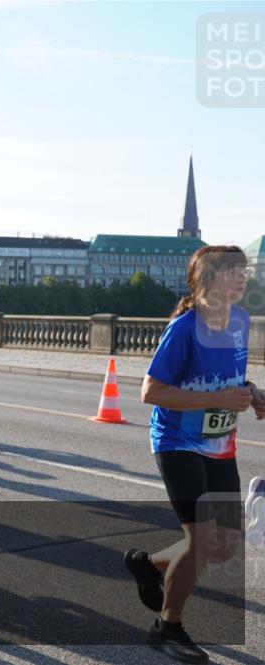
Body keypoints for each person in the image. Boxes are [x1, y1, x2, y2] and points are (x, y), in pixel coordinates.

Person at [124, 246, 264, 664]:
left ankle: (148, 565)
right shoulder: (185, 328)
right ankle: (168, 628)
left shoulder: (239, 320)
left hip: (220, 445)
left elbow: (230, 376)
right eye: (234, 271)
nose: (243, 278)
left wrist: (251, 392)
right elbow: (150, 391)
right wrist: (218, 396)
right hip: (177, 441)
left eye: (245, 271)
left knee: (224, 545)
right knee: (203, 541)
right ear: (210, 279)